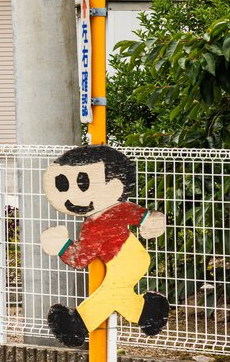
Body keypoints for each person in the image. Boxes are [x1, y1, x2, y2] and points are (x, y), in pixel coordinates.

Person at [40, 145, 169, 347]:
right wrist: (149, 220)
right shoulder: (111, 213)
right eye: (63, 184)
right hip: (131, 258)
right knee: (117, 294)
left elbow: (81, 258)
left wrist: (61, 245)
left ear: (114, 185)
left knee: (112, 292)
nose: (72, 195)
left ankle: (78, 325)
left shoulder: (94, 226)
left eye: (83, 183)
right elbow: (139, 215)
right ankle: (148, 314)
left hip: (126, 261)